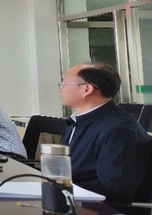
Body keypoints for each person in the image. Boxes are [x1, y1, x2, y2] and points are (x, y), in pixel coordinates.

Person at [60, 63, 152, 202]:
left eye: (64, 84)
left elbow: (114, 189)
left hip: (102, 209)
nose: (60, 89)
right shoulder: (78, 121)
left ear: (87, 89)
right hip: (73, 199)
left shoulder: (118, 130)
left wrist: (58, 188)